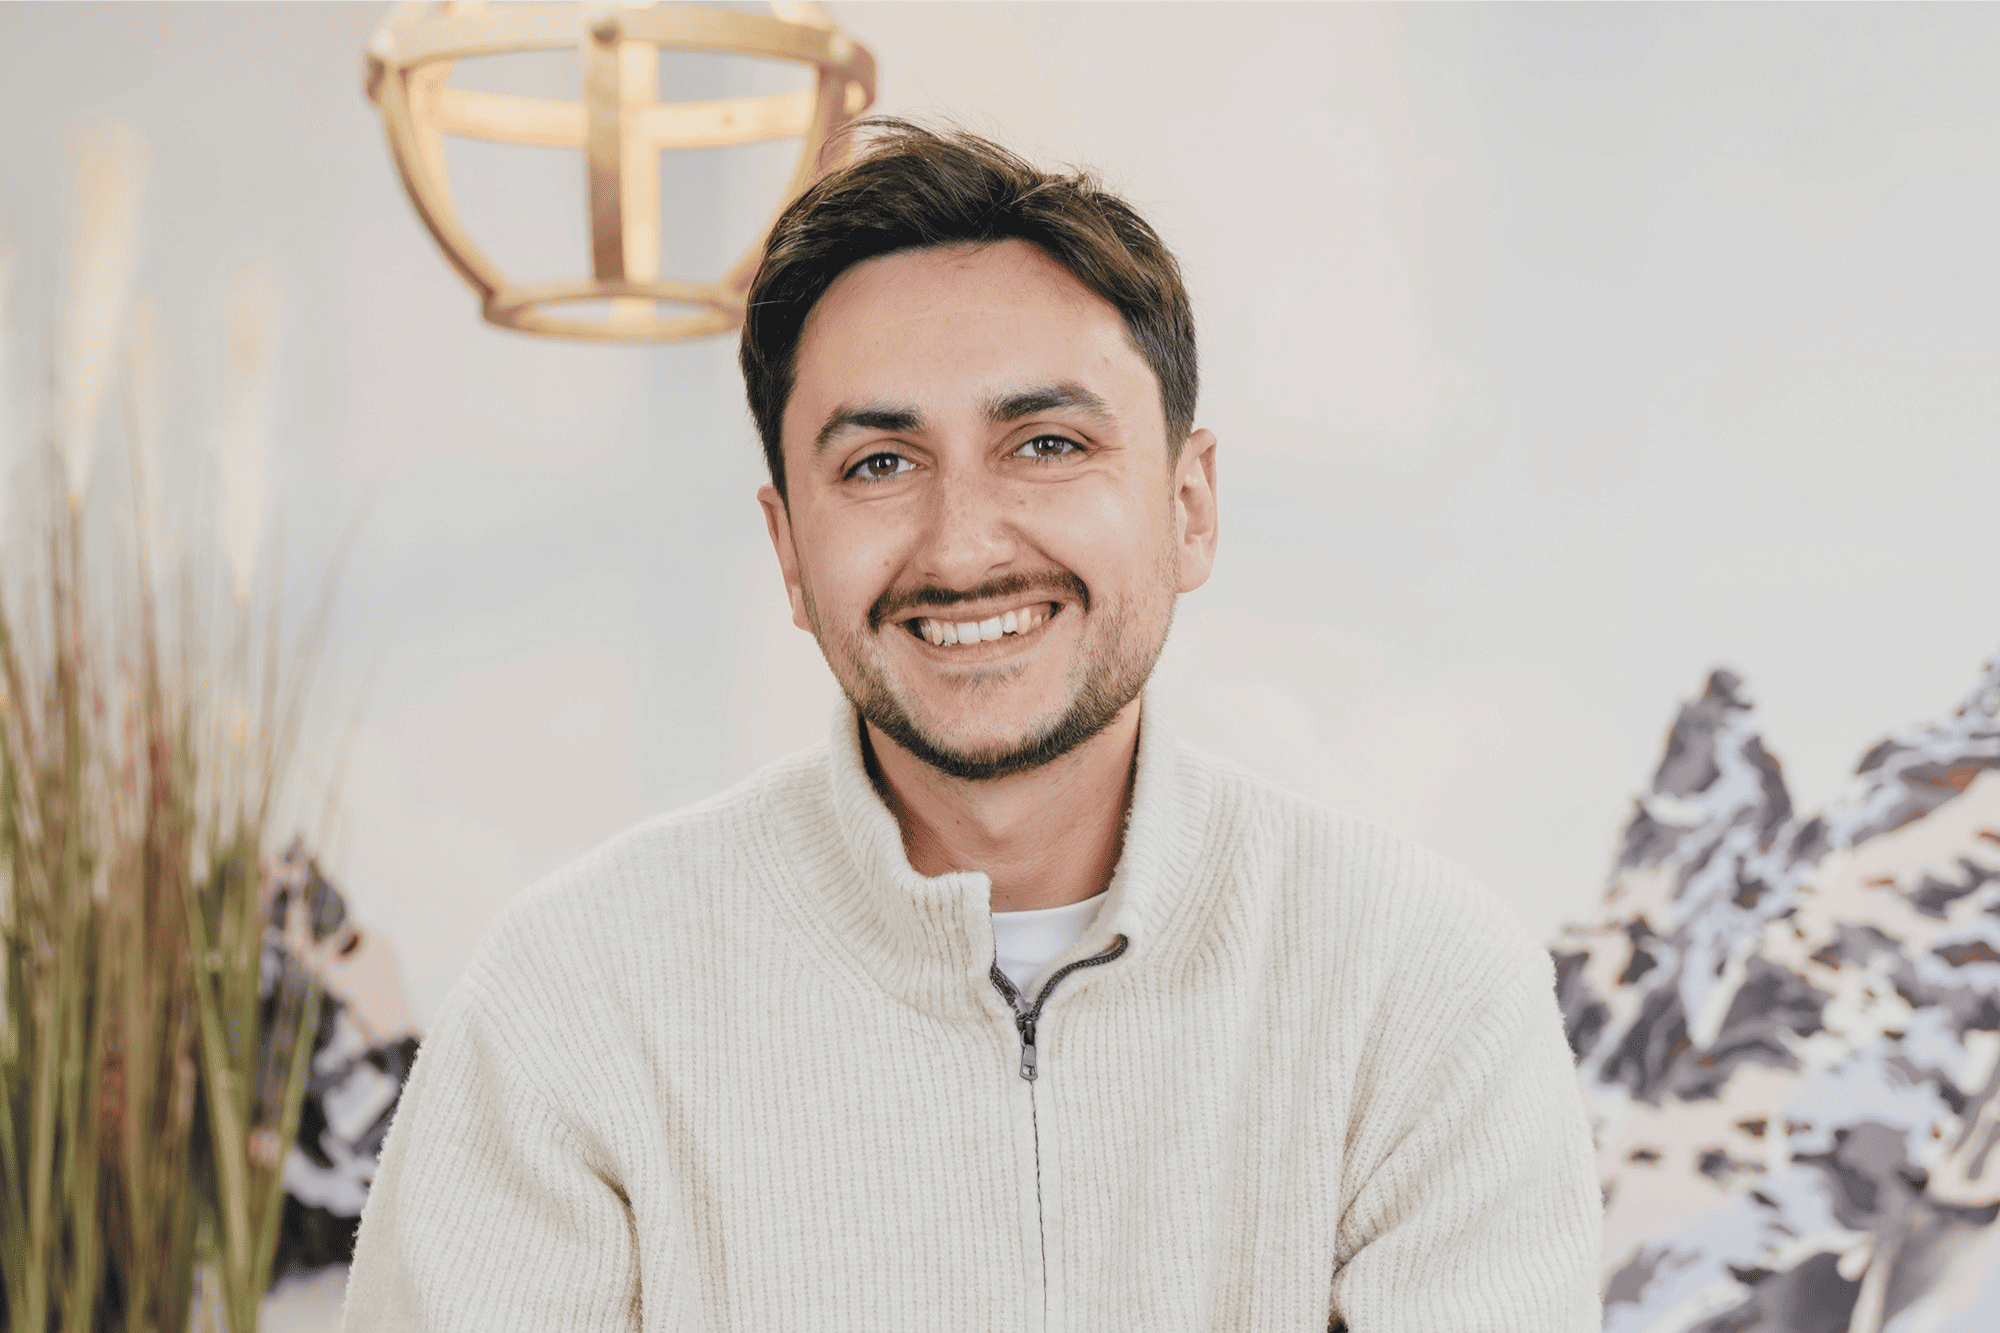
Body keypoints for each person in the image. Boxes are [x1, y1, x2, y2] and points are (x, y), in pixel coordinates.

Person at [343, 121, 1601, 1332]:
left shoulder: (1420, 989)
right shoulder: (570, 1003)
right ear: (789, 550)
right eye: (879, 464)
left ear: (1189, 504)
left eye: (1044, 443)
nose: (962, 546)